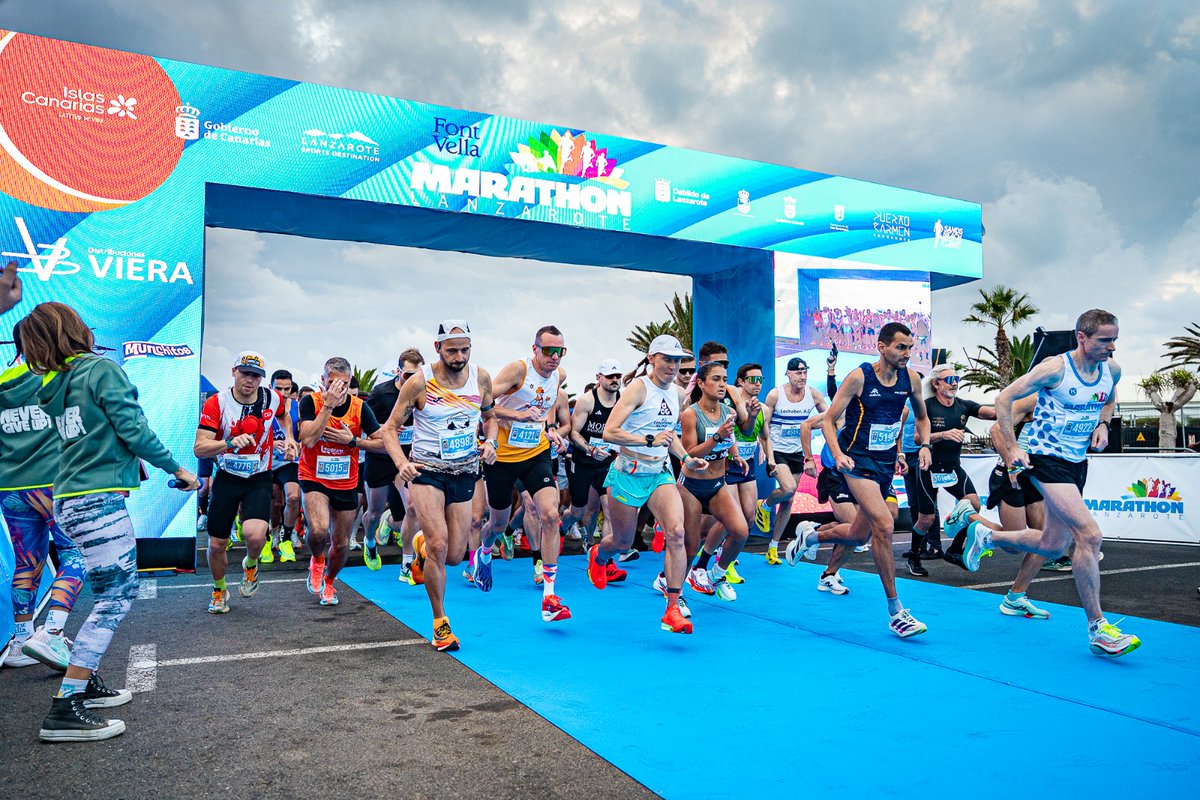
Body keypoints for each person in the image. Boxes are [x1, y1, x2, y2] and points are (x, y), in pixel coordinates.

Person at [25, 302, 198, 741]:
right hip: (96, 501)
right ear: (73, 329)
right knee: (117, 597)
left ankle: (86, 680)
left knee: (106, 592)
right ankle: (66, 704)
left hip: (69, 497)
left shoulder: (55, 382)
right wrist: (178, 470)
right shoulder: (101, 370)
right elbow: (134, 430)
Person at [954, 309, 1139, 656]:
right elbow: (1003, 399)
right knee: (1090, 535)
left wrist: (1103, 424)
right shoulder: (1055, 369)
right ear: (1081, 338)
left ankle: (985, 534)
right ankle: (1098, 628)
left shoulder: (1111, 370)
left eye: (1115, 339)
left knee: (1054, 546)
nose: (1111, 346)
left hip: (1075, 463)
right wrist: (1011, 449)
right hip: (1044, 459)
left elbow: (1110, 399)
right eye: (1104, 340)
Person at [789, 322, 932, 638]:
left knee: (856, 537)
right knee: (884, 524)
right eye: (900, 347)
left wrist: (923, 445)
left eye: (910, 347)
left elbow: (921, 416)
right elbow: (827, 421)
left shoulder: (911, 380)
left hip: (883, 467)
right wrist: (838, 455)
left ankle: (809, 537)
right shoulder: (859, 377)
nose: (907, 354)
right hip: (856, 462)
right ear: (882, 347)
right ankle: (896, 612)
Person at [381, 320, 498, 650]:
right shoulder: (419, 383)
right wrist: (402, 464)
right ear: (437, 349)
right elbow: (390, 429)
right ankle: (440, 622)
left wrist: (491, 443)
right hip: (427, 471)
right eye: (452, 351)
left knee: (456, 556)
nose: (459, 356)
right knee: (440, 544)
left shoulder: (481, 377)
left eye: (465, 349)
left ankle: (420, 546)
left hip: (463, 471)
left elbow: (490, 417)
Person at [587, 335, 710, 634]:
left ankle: (672, 608)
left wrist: (686, 459)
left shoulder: (678, 393)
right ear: (652, 358)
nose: (672, 365)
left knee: (677, 533)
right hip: (627, 473)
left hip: (659, 473)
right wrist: (645, 440)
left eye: (677, 360)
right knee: (622, 542)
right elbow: (610, 432)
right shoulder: (638, 388)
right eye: (666, 359)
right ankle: (599, 556)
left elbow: (670, 436)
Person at [0, 321, 85, 671]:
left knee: (27, 562)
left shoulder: (3, 380)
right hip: (53, 484)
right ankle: (50, 632)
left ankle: (21, 638)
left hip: (11, 487)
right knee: (77, 553)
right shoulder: (55, 376)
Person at [475, 325, 572, 623]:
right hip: (502, 458)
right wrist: (517, 415)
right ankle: (484, 552)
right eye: (548, 351)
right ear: (535, 349)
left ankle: (550, 595)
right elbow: (483, 401)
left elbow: (545, 412)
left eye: (560, 351)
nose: (554, 358)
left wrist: (553, 432)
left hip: (535, 454)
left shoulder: (560, 376)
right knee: (498, 522)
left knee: (550, 514)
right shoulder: (518, 371)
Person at [194, 352, 297, 613]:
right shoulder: (217, 403)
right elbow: (199, 447)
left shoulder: (272, 398)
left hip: (258, 476)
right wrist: (228, 443)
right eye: (245, 373)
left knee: (255, 535)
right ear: (233, 372)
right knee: (216, 544)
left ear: (262, 379)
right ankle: (219, 590)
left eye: (256, 376)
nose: (249, 380)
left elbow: (284, 415)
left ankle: (250, 565)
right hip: (227, 477)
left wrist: (290, 438)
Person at [297, 357, 387, 607]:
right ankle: (316, 560)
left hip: (346, 480)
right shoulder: (311, 401)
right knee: (318, 530)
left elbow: (382, 443)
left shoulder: (359, 407)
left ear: (349, 383)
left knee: (341, 543)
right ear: (324, 380)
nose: (338, 388)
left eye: (343, 384)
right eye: (333, 382)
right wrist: (327, 407)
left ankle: (329, 581)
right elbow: (308, 439)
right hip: (314, 476)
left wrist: (353, 442)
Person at [903, 364, 996, 577]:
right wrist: (943, 435)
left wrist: (1017, 402)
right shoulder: (926, 406)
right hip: (928, 468)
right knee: (926, 519)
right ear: (936, 384)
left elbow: (992, 413)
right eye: (949, 379)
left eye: (956, 378)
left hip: (953, 468)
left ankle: (955, 550)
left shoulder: (964, 406)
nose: (954, 383)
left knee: (974, 504)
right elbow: (918, 439)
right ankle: (914, 556)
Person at [678, 361, 750, 601]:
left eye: (724, 379)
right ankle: (675, 595)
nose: (722, 385)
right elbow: (689, 454)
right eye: (716, 379)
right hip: (691, 487)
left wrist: (736, 455)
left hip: (717, 484)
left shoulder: (728, 412)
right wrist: (717, 437)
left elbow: (731, 439)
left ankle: (715, 575)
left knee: (740, 531)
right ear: (701, 383)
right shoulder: (690, 414)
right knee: (689, 546)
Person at [761, 357, 828, 564]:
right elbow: (764, 425)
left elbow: (828, 416)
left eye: (805, 372)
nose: (802, 376)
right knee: (788, 489)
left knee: (789, 500)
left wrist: (813, 427)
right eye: (798, 372)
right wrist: (765, 451)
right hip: (778, 451)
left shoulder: (812, 394)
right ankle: (765, 505)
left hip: (797, 452)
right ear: (788, 374)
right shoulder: (776, 395)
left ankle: (773, 547)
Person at [364, 349, 424, 574]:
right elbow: (364, 426)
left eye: (418, 375)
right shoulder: (381, 393)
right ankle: (370, 541)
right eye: (408, 375)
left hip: (407, 458)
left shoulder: (425, 391)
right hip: (381, 457)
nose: (413, 380)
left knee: (412, 505)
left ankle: (408, 562)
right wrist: (384, 431)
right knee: (374, 512)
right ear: (398, 372)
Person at [561, 361, 622, 546]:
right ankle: (561, 528)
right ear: (599, 378)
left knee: (610, 510)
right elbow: (573, 433)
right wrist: (590, 449)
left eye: (618, 376)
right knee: (579, 512)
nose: (614, 380)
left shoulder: (623, 401)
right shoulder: (587, 400)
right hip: (583, 463)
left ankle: (602, 558)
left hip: (607, 464)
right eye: (610, 376)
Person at [267, 370, 302, 563]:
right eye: (278, 388)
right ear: (271, 387)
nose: (282, 392)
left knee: (294, 497)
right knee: (275, 502)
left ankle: (287, 537)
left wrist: (297, 445)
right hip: (268, 461)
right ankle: (273, 533)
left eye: (286, 388)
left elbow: (305, 434)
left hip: (290, 461)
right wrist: (272, 443)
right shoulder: (262, 405)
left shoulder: (298, 406)